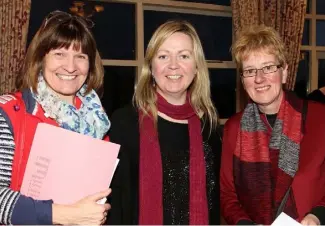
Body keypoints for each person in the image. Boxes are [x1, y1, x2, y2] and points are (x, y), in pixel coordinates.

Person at [0, 11, 111, 224]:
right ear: (42, 58)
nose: (70, 67)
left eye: (80, 56)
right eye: (59, 54)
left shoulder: (96, 123)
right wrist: (64, 215)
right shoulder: (10, 113)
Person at [107, 20, 221, 225]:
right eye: (163, 56)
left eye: (184, 56)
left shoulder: (209, 127)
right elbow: (113, 205)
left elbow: (214, 203)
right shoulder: (124, 123)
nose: (173, 65)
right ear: (151, 67)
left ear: (196, 67)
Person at [220, 24, 325, 226]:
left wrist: (318, 215)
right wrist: (245, 224)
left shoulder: (319, 118)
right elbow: (227, 195)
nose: (259, 79)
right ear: (243, 80)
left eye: (268, 67)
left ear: (284, 72)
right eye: (250, 71)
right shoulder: (233, 128)